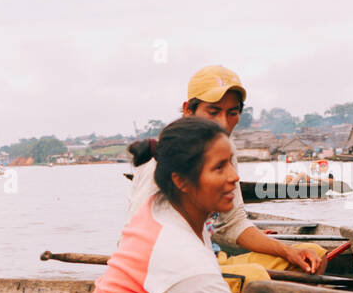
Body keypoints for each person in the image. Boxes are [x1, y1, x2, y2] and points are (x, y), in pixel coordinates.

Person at [126, 65, 322, 277]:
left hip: (211, 260)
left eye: (232, 113)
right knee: (256, 276)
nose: (223, 123)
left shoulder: (225, 149)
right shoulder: (166, 157)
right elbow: (136, 240)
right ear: (188, 110)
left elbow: (232, 223)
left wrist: (289, 251)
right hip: (174, 273)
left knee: (313, 256)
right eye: (213, 111)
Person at [67, 117, 241, 293]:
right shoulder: (180, 254)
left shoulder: (163, 207)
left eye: (231, 162)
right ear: (181, 181)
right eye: (219, 167)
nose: (234, 176)